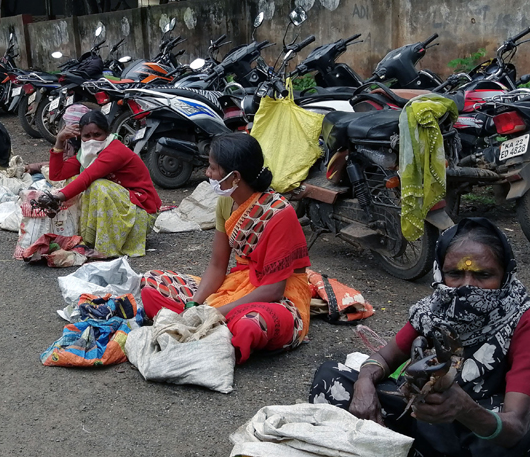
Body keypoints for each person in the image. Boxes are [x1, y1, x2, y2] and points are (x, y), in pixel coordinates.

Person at [309, 218, 530, 456]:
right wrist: (365, 384)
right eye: (455, 274)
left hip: (473, 429)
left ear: (505, 274)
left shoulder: (521, 319)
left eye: (484, 275)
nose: (468, 287)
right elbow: (384, 357)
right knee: (331, 377)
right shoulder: (434, 310)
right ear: (440, 273)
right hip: (423, 417)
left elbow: (515, 426)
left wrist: (466, 410)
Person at [139, 133, 311, 364]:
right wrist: (195, 305)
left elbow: (274, 290)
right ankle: (218, 332)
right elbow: (218, 265)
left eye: (212, 168)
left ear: (235, 176)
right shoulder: (225, 201)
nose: (207, 174)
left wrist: (216, 312)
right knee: (152, 283)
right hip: (238, 284)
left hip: (277, 295)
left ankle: (221, 327)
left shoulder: (280, 213)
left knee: (252, 325)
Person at [46, 109, 162, 258]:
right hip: (124, 205)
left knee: (97, 186)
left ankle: (105, 249)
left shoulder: (115, 150)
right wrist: (60, 141)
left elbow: (88, 177)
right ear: (80, 136)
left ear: (107, 134)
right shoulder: (85, 155)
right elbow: (56, 175)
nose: (92, 140)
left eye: (97, 135)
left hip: (141, 210)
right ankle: (88, 239)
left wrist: (57, 198)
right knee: (73, 181)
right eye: (87, 136)